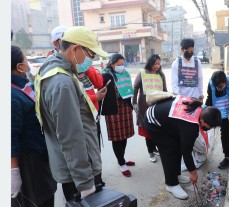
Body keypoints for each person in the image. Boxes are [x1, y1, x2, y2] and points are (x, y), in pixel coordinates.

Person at [34, 26, 108, 202]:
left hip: (71, 166)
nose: (91, 60)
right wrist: (85, 182)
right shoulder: (62, 83)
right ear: (76, 49)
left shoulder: (52, 68)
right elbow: (71, 138)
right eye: (91, 55)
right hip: (78, 173)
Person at [144, 96, 221, 199]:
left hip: (167, 120)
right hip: (153, 121)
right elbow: (187, 151)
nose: (209, 129)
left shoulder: (201, 109)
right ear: (202, 119)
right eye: (209, 126)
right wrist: (193, 173)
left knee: (178, 146)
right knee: (169, 150)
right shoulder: (190, 126)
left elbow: (183, 146)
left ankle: (176, 175)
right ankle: (171, 184)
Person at [11, 45, 57, 207]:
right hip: (28, 162)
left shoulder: (23, 85)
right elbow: (11, 136)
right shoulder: (11, 95)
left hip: (38, 154)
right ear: (19, 67)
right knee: (38, 200)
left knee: (46, 195)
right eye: (25, 60)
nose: (28, 64)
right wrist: (13, 170)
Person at [100, 53, 136, 177]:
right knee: (117, 138)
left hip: (125, 108)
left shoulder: (125, 74)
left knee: (124, 136)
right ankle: (121, 163)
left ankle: (122, 158)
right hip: (113, 110)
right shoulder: (106, 75)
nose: (121, 66)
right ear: (112, 63)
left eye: (122, 64)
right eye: (118, 64)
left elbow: (130, 89)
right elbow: (100, 92)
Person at [132, 54, 166, 163]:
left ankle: (155, 148)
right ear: (150, 63)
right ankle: (150, 152)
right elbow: (135, 88)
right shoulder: (142, 73)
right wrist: (134, 103)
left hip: (157, 105)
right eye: (155, 64)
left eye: (158, 64)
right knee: (148, 129)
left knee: (157, 128)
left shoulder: (161, 74)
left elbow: (165, 89)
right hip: (144, 106)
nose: (157, 66)